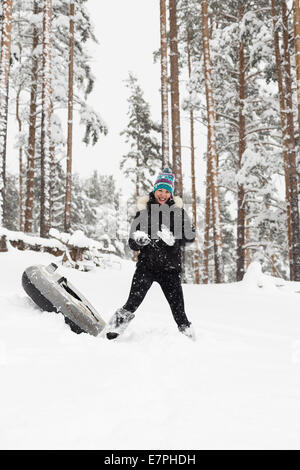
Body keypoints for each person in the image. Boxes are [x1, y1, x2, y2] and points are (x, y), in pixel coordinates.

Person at [105, 167, 196, 340]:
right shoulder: (143, 213)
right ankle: (111, 333)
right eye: (160, 190)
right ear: (154, 191)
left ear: (171, 194)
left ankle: (189, 338)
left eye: (166, 191)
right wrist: (138, 241)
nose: (162, 194)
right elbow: (132, 240)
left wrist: (175, 239)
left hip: (170, 270)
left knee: (179, 311)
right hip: (146, 268)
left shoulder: (178, 213)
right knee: (132, 303)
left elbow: (190, 235)